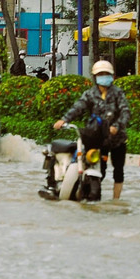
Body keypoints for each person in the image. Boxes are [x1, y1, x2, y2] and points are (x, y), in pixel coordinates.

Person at [53, 59, 130, 200]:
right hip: (98, 138)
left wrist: (116, 126)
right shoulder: (90, 94)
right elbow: (78, 107)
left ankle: (116, 200)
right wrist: (64, 120)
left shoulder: (118, 93)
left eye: (106, 74)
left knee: (118, 172)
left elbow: (125, 112)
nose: (104, 76)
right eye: (101, 74)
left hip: (117, 139)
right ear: (95, 77)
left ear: (112, 76)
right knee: (99, 167)